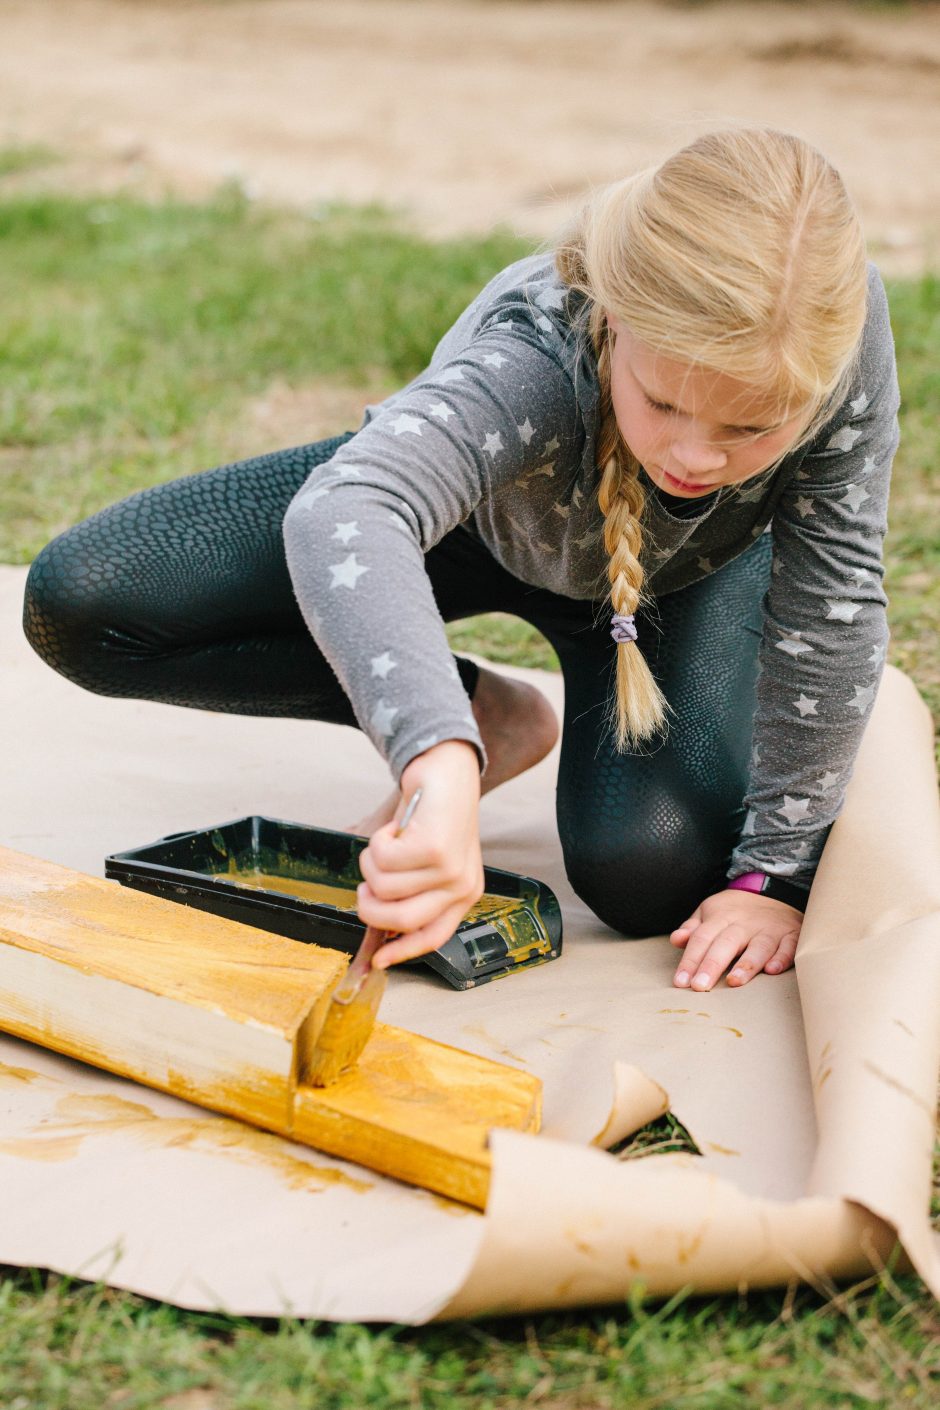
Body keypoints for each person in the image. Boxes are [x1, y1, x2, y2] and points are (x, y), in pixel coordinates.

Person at [23, 128, 899, 994]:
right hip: (473, 536)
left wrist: (772, 880)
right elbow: (353, 507)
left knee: (654, 875)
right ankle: (491, 718)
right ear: (615, 317)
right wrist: (437, 754)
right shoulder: (535, 351)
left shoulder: (837, 340)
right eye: (663, 402)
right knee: (88, 601)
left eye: (749, 428)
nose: (696, 457)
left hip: (673, 580)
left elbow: (835, 597)